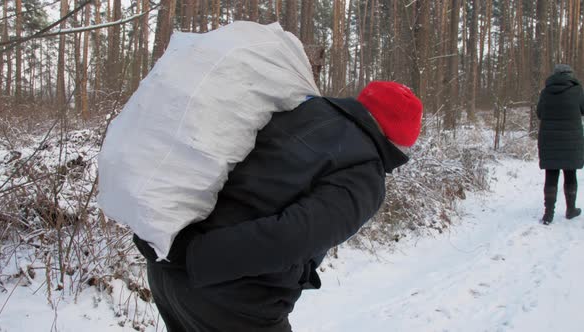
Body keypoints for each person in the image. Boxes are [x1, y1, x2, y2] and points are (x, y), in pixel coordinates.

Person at [134, 81, 423, 331]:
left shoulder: (300, 108)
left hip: (166, 264)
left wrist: (174, 246)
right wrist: (192, 256)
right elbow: (291, 237)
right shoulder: (365, 173)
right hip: (227, 290)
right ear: (398, 139)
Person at [537, 64, 584, 225]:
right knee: (570, 174)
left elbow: (539, 113)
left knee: (551, 175)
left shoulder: (545, 92)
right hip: (571, 140)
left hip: (549, 140)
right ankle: (571, 210)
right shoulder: (578, 91)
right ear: (571, 75)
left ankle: (548, 214)